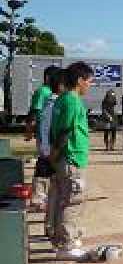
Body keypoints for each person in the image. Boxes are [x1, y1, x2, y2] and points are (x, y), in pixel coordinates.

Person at [48, 62, 93, 259]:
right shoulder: (73, 101)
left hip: (64, 158)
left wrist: (54, 154)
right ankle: (67, 245)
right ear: (79, 80)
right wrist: (56, 152)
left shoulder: (61, 99)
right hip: (71, 157)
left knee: (62, 200)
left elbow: (55, 128)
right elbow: (66, 130)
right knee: (72, 201)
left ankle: (62, 240)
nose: (89, 86)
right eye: (89, 81)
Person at [27, 65, 60, 210]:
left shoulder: (54, 92)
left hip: (53, 134)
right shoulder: (43, 91)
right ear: (48, 78)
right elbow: (35, 111)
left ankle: (47, 197)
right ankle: (38, 198)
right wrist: (30, 129)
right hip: (44, 133)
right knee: (44, 163)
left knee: (51, 164)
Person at [42, 70, 67, 236]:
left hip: (50, 151)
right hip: (54, 153)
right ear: (60, 86)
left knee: (55, 191)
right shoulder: (55, 104)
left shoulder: (50, 102)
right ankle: (54, 230)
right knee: (59, 193)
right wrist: (52, 153)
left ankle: (50, 227)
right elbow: (55, 131)